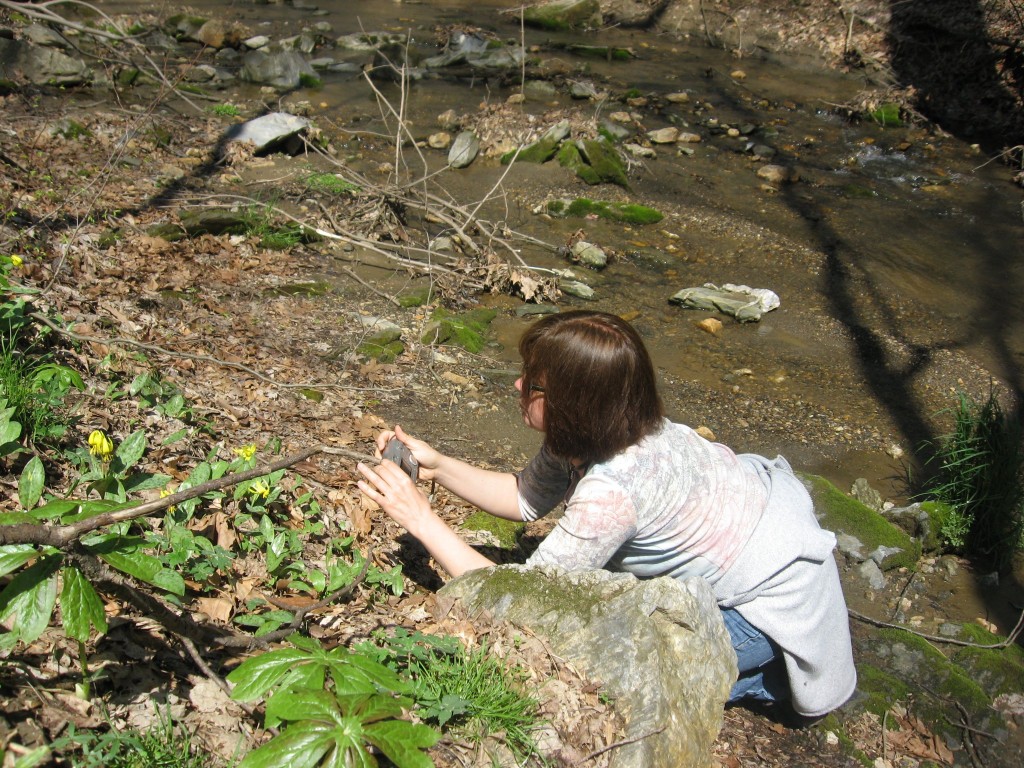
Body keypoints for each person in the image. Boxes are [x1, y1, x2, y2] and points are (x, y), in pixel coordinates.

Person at [357, 310, 856, 719]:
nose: (517, 383)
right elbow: (523, 497)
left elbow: (521, 602)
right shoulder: (604, 426)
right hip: (757, 541)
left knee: (627, 676)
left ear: (572, 404)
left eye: (534, 382)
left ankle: (775, 677)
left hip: (765, 603)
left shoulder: (614, 490)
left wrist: (420, 518)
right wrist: (438, 466)